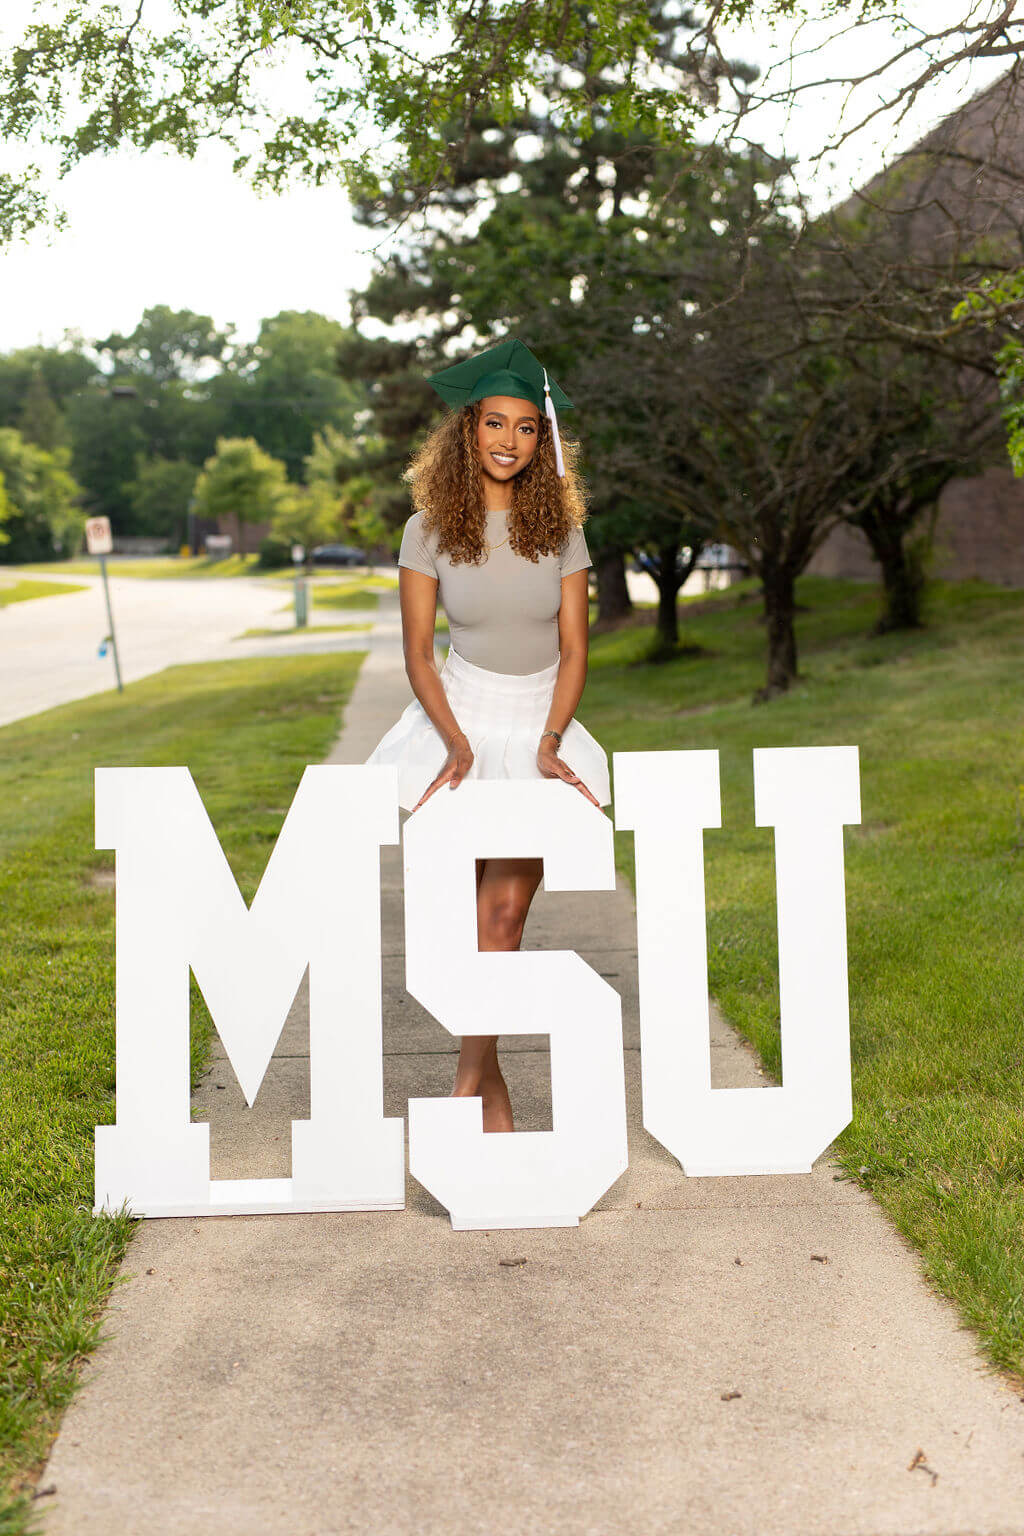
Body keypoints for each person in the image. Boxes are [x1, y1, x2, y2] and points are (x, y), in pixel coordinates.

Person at [366, 338, 610, 1134]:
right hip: (459, 718)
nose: (510, 441)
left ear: (544, 441)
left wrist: (551, 738)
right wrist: (455, 743)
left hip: (540, 721)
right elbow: (417, 651)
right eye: (495, 424)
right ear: (468, 430)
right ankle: (490, 1090)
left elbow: (576, 649)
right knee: (464, 921)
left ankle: (466, 1088)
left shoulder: (562, 532)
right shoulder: (427, 529)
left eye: (528, 428)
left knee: (501, 917)